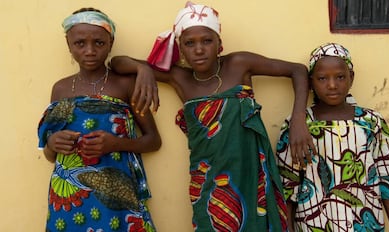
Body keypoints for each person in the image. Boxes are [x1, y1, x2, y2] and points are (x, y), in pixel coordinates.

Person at [110, 2, 315, 231]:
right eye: (190, 43)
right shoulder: (181, 78)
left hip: (252, 174)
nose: (199, 49)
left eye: (207, 41)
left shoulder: (239, 64)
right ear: (181, 49)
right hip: (209, 184)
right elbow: (117, 63)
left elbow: (297, 70)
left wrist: (298, 119)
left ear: (219, 44)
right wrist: (144, 70)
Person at [37, 8, 161, 232]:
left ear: (110, 43)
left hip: (116, 193)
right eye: (80, 43)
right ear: (68, 44)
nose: (90, 51)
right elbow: (49, 154)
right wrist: (52, 143)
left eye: (99, 43)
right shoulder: (61, 89)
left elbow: (153, 140)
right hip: (69, 196)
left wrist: (117, 144)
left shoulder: (125, 85)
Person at [275, 42, 389, 232]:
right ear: (311, 82)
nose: (332, 85)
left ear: (351, 78)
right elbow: (288, 183)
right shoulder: (299, 125)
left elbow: (388, 172)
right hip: (314, 224)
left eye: (340, 77)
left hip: (365, 222)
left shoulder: (371, 121)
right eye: (322, 78)